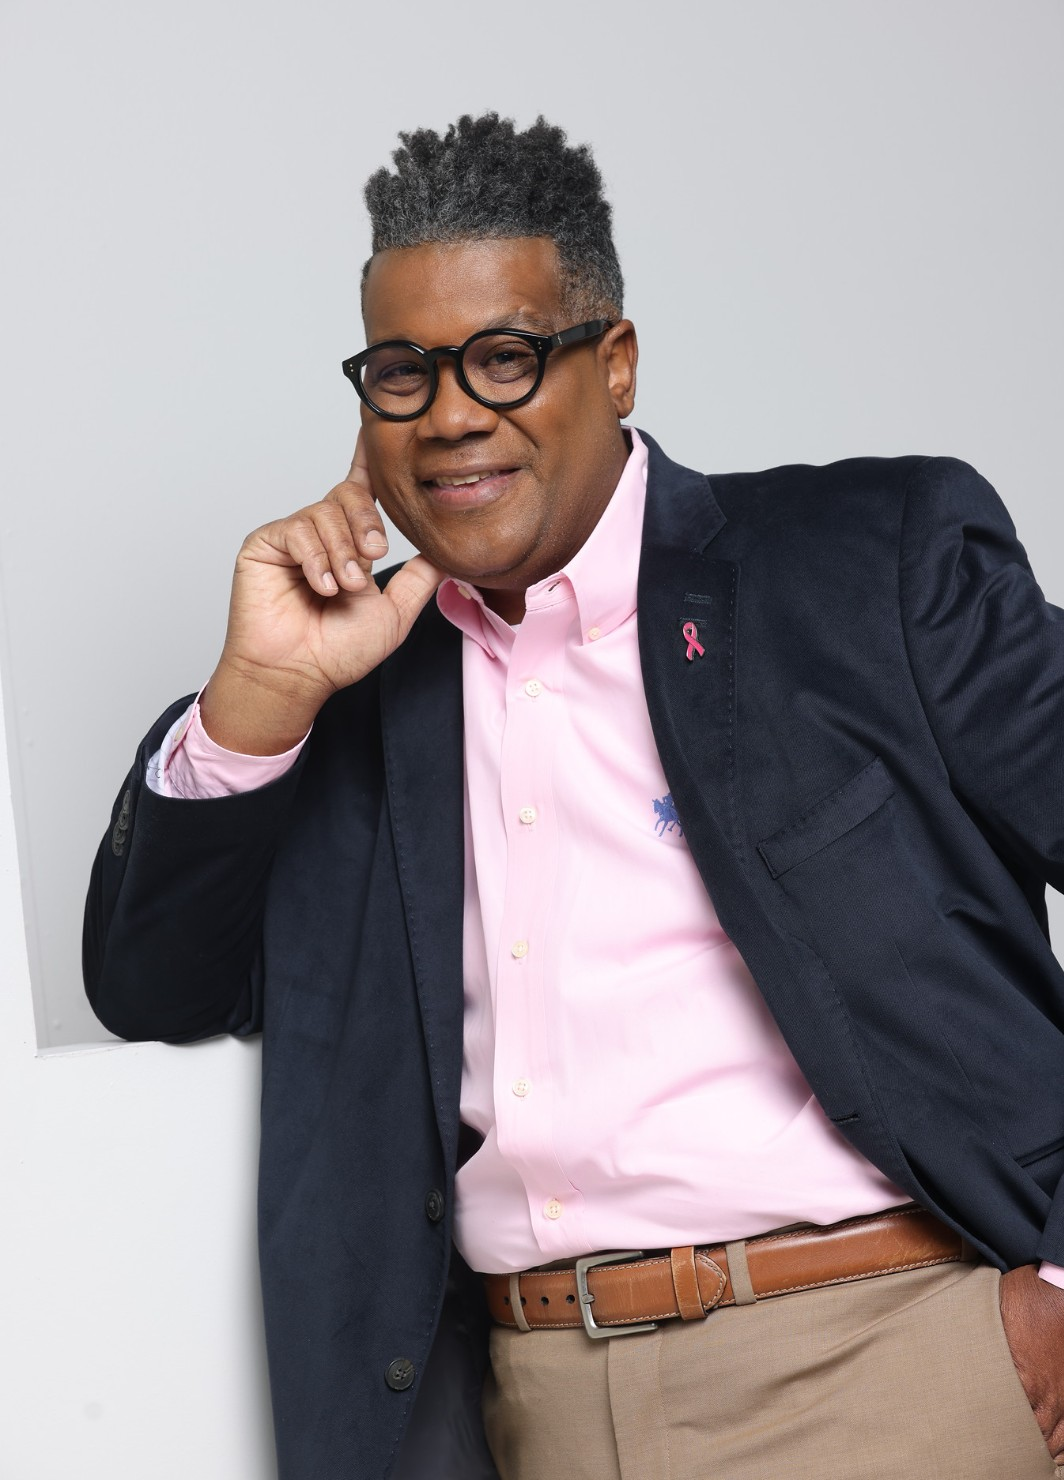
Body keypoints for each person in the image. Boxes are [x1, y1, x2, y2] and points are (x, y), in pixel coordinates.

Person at [84, 114, 1064, 1480]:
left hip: (891, 1364)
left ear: (614, 364)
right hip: (532, 1407)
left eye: (504, 357)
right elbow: (152, 987)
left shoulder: (867, 563)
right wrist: (256, 697)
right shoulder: (346, 694)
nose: (449, 417)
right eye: (401, 375)